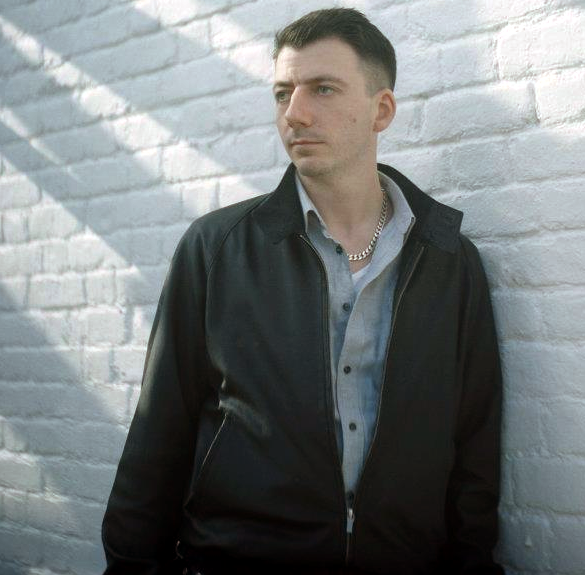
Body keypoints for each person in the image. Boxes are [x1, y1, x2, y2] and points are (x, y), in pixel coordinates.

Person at [102, 8, 504, 575]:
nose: (294, 113)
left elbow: (475, 450)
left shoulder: (449, 262)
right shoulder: (217, 249)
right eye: (282, 93)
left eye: (323, 89)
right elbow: (157, 435)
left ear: (381, 110)